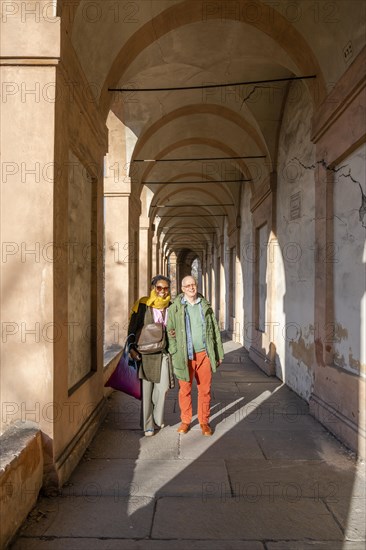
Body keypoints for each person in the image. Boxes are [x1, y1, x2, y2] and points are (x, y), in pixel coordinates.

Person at [167, 275, 224, 436]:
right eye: (188, 285)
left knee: (204, 390)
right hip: (184, 356)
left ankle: (204, 422)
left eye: (194, 284)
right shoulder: (175, 308)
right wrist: (174, 351)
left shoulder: (205, 306)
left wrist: (218, 352)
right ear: (183, 289)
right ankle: (185, 421)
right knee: (184, 389)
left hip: (204, 354)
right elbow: (170, 332)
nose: (192, 287)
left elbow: (215, 331)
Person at [128, 275, 172, 437]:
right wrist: (131, 348)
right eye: (159, 288)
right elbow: (132, 329)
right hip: (145, 354)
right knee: (147, 391)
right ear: (153, 288)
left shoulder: (171, 306)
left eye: (165, 288)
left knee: (163, 387)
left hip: (164, 353)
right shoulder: (142, 305)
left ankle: (156, 417)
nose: (162, 291)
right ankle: (148, 425)